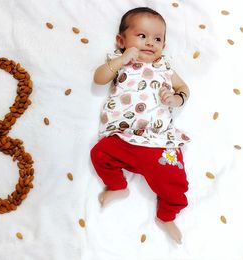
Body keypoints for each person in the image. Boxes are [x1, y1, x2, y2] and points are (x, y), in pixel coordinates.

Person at [90, 7, 190, 244]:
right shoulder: (119, 62)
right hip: (122, 137)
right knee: (98, 154)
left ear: (163, 46)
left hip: (157, 142)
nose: (150, 43)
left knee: (177, 186)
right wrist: (122, 59)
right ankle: (117, 186)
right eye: (142, 36)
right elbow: (99, 78)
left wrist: (175, 99)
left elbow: (184, 88)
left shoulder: (165, 68)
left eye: (158, 39)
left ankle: (166, 216)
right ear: (121, 40)